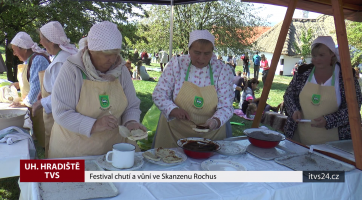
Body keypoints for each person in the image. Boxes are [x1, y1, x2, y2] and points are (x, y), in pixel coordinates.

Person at [48, 21, 146, 158]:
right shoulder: (72, 69)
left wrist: (131, 122)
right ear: (92, 50)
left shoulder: (121, 70)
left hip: (113, 149)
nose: (112, 59)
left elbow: (132, 105)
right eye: (106, 54)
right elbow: (61, 112)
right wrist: (93, 125)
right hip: (74, 150)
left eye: (116, 53)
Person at [152, 30, 234, 148]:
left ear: (212, 52)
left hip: (210, 136)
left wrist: (215, 121)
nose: (201, 58)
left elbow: (226, 106)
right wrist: (173, 110)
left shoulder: (222, 70)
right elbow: (159, 94)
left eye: (207, 53)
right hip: (174, 133)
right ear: (189, 49)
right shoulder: (177, 65)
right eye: (197, 52)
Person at [283, 36, 362, 145]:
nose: (317, 59)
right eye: (314, 55)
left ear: (332, 54)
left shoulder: (346, 77)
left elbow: (353, 109)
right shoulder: (303, 73)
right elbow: (288, 96)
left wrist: (329, 120)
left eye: (321, 55)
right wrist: (294, 110)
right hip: (299, 138)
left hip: (334, 143)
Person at [32, 21, 78, 158]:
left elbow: (63, 95)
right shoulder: (62, 57)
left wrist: (40, 103)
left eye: (42, 39)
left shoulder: (61, 62)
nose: (40, 42)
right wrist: (44, 90)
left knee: (57, 155)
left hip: (58, 116)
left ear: (51, 42)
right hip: (57, 114)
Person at [9, 32, 50, 148]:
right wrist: (17, 85)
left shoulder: (37, 60)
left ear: (24, 49)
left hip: (42, 107)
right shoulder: (29, 60)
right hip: (34, 106)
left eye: (15, 49)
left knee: (45, 143)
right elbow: (30, 80)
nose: (14, 53)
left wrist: (22, 104)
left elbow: (36, 89)